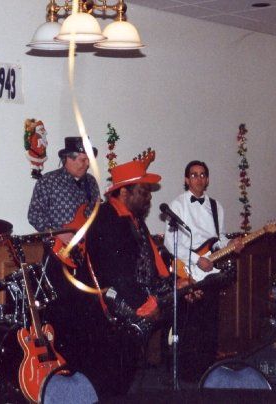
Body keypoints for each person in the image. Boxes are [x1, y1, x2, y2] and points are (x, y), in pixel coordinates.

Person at [82, 157, 175, 398]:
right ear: (124, 192)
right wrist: (145, 304)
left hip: (132, 299)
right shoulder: (107, 218)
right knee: (117, 377)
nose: (149, 197)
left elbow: (150, 264)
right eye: (144, 192)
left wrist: (176, 284)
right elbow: (117, 273)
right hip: (111, 307)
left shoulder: (133, 220)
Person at [27, 136, 100, 383]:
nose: (85, 164)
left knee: (87, 312)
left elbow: (93, 215)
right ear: (66, 159)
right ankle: (61, 367)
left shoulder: (91, 183)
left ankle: (85, 370)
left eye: (87, 160)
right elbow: (34, 214)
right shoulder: (48, 182)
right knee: (60, 311)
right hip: (57, 255)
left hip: (85, 256)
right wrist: (58, 232)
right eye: (81, 159)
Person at [163, 160, 244, 381]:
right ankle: (185, 376)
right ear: (186, 179)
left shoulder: (217, 207)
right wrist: (197, 259)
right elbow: (170, 243)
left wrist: (230, 244)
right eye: (194, 175)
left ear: (207, 179)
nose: (198, 179)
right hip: (187, 271)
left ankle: (206, 374)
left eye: (202, 175)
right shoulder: (177, 205)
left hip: (210, 274)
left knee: (209, 324)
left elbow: (219, 238)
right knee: (189, 325)